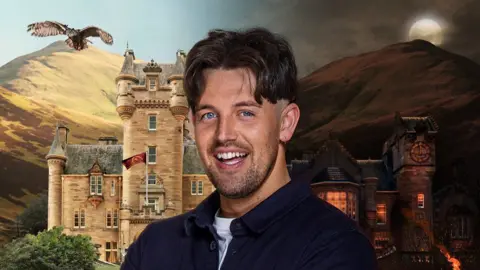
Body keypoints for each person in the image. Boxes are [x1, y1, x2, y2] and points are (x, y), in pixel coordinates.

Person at [121, 27, 378, 270]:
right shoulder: (153, 244)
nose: (224, 135)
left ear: (286, 123)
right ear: (191, 123)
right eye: (209, 115)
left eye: (245, 113)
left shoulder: (335, 247)